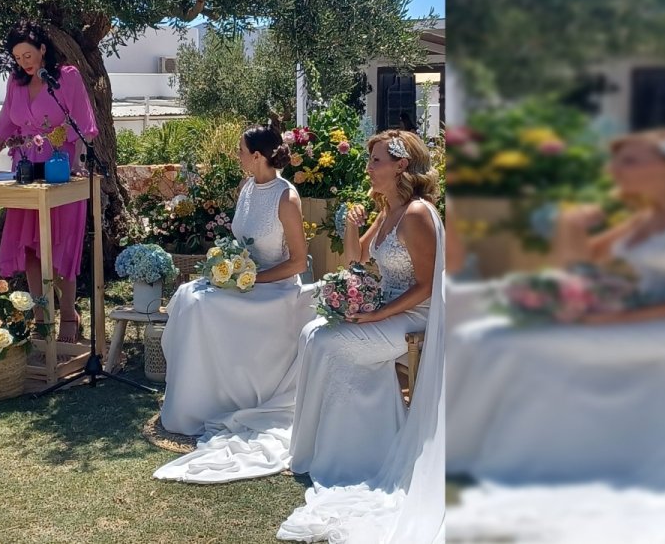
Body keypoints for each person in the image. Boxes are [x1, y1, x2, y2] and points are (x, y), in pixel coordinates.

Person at [445, 129, 665, 542]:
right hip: (650, 316)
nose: (614, 170)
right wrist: (570, 227)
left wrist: (634, 315)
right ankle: (508, 450)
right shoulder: (651, 217)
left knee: (530, 345)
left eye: (631, 160)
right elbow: (583, 265)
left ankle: (556, 456)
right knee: (496, 335)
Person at [278, 129, 446, 543]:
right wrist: (353, 227)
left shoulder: (418, 214)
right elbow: (358, 260)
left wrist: (375, 315)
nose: (369, 169)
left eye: (375, 161)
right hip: (385, 311)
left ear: (401, 165)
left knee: (329, 341)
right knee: (312, 331)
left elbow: (427, 287)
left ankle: (361, 447)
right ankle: (319, 444)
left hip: (414, 318)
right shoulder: (389, 209)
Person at [153, 122, 317, 484]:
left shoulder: (285, 198)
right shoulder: (247, 187)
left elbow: (298, 262)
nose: (237, 156)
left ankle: (216, 399)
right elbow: (241, 243)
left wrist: (252, 278)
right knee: (188, 296)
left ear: (258, 156)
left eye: (241, 151)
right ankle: (195, 397)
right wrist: (228, 270)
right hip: (244, 282)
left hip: (274, 290)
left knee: (202, 307)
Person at [0, 20, 97, 343]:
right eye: (17, 58)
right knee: (31, 250)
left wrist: (76, 165)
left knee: (61, 247)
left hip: (61, 171)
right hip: (26, 172)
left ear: (43, 49)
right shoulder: (15, 85)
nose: (23, 63)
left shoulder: (67, 77)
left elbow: (83, 123)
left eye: (27, 55)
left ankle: (69, 314)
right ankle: (42, 317)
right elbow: (3, 129)